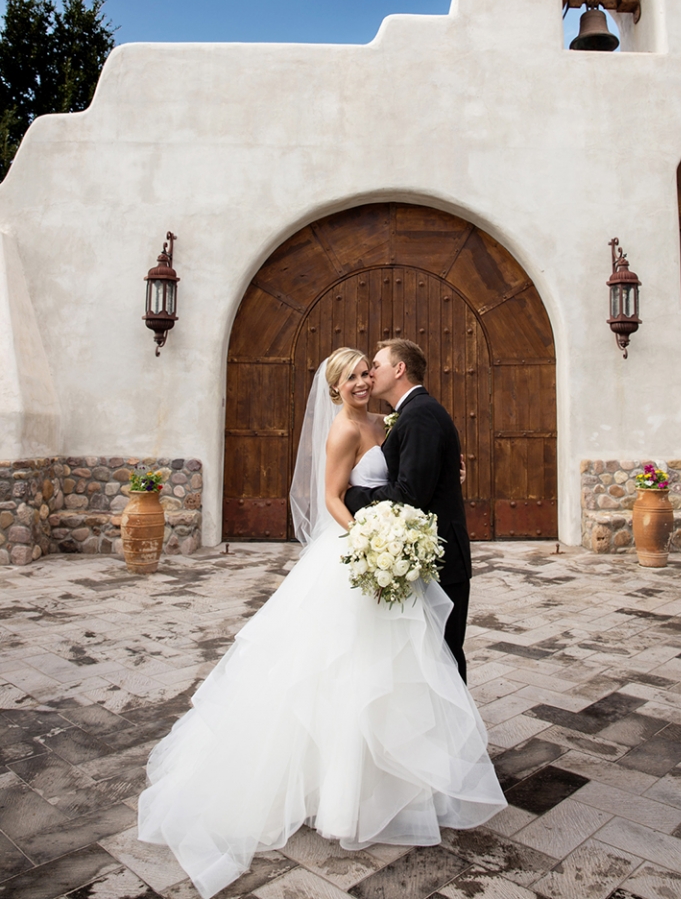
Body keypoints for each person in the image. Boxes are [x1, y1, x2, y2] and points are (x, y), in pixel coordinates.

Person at [137, 348, 504, 899]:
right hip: (357, 551)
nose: (362, 380)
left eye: (366, 371)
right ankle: (336, 786)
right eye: (352, 376)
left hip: (388, 551)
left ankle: (397, 774)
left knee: (393, 666)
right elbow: (331, 497)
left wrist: (447, 468)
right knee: (339, 666)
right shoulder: (342, 430)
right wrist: (367, 539)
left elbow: (415, 473)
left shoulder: (388, 421)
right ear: (335, 387)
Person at [345, 340, 472, 681]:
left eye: (377, 365)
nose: (370, 373)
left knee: (442, 655)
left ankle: (454, 718)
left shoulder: (419, 414)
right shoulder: (411, 413)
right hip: (427, 553)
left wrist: (353, 496)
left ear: (399, 369)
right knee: (428, 656)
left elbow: (410, 493)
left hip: (440, 559)